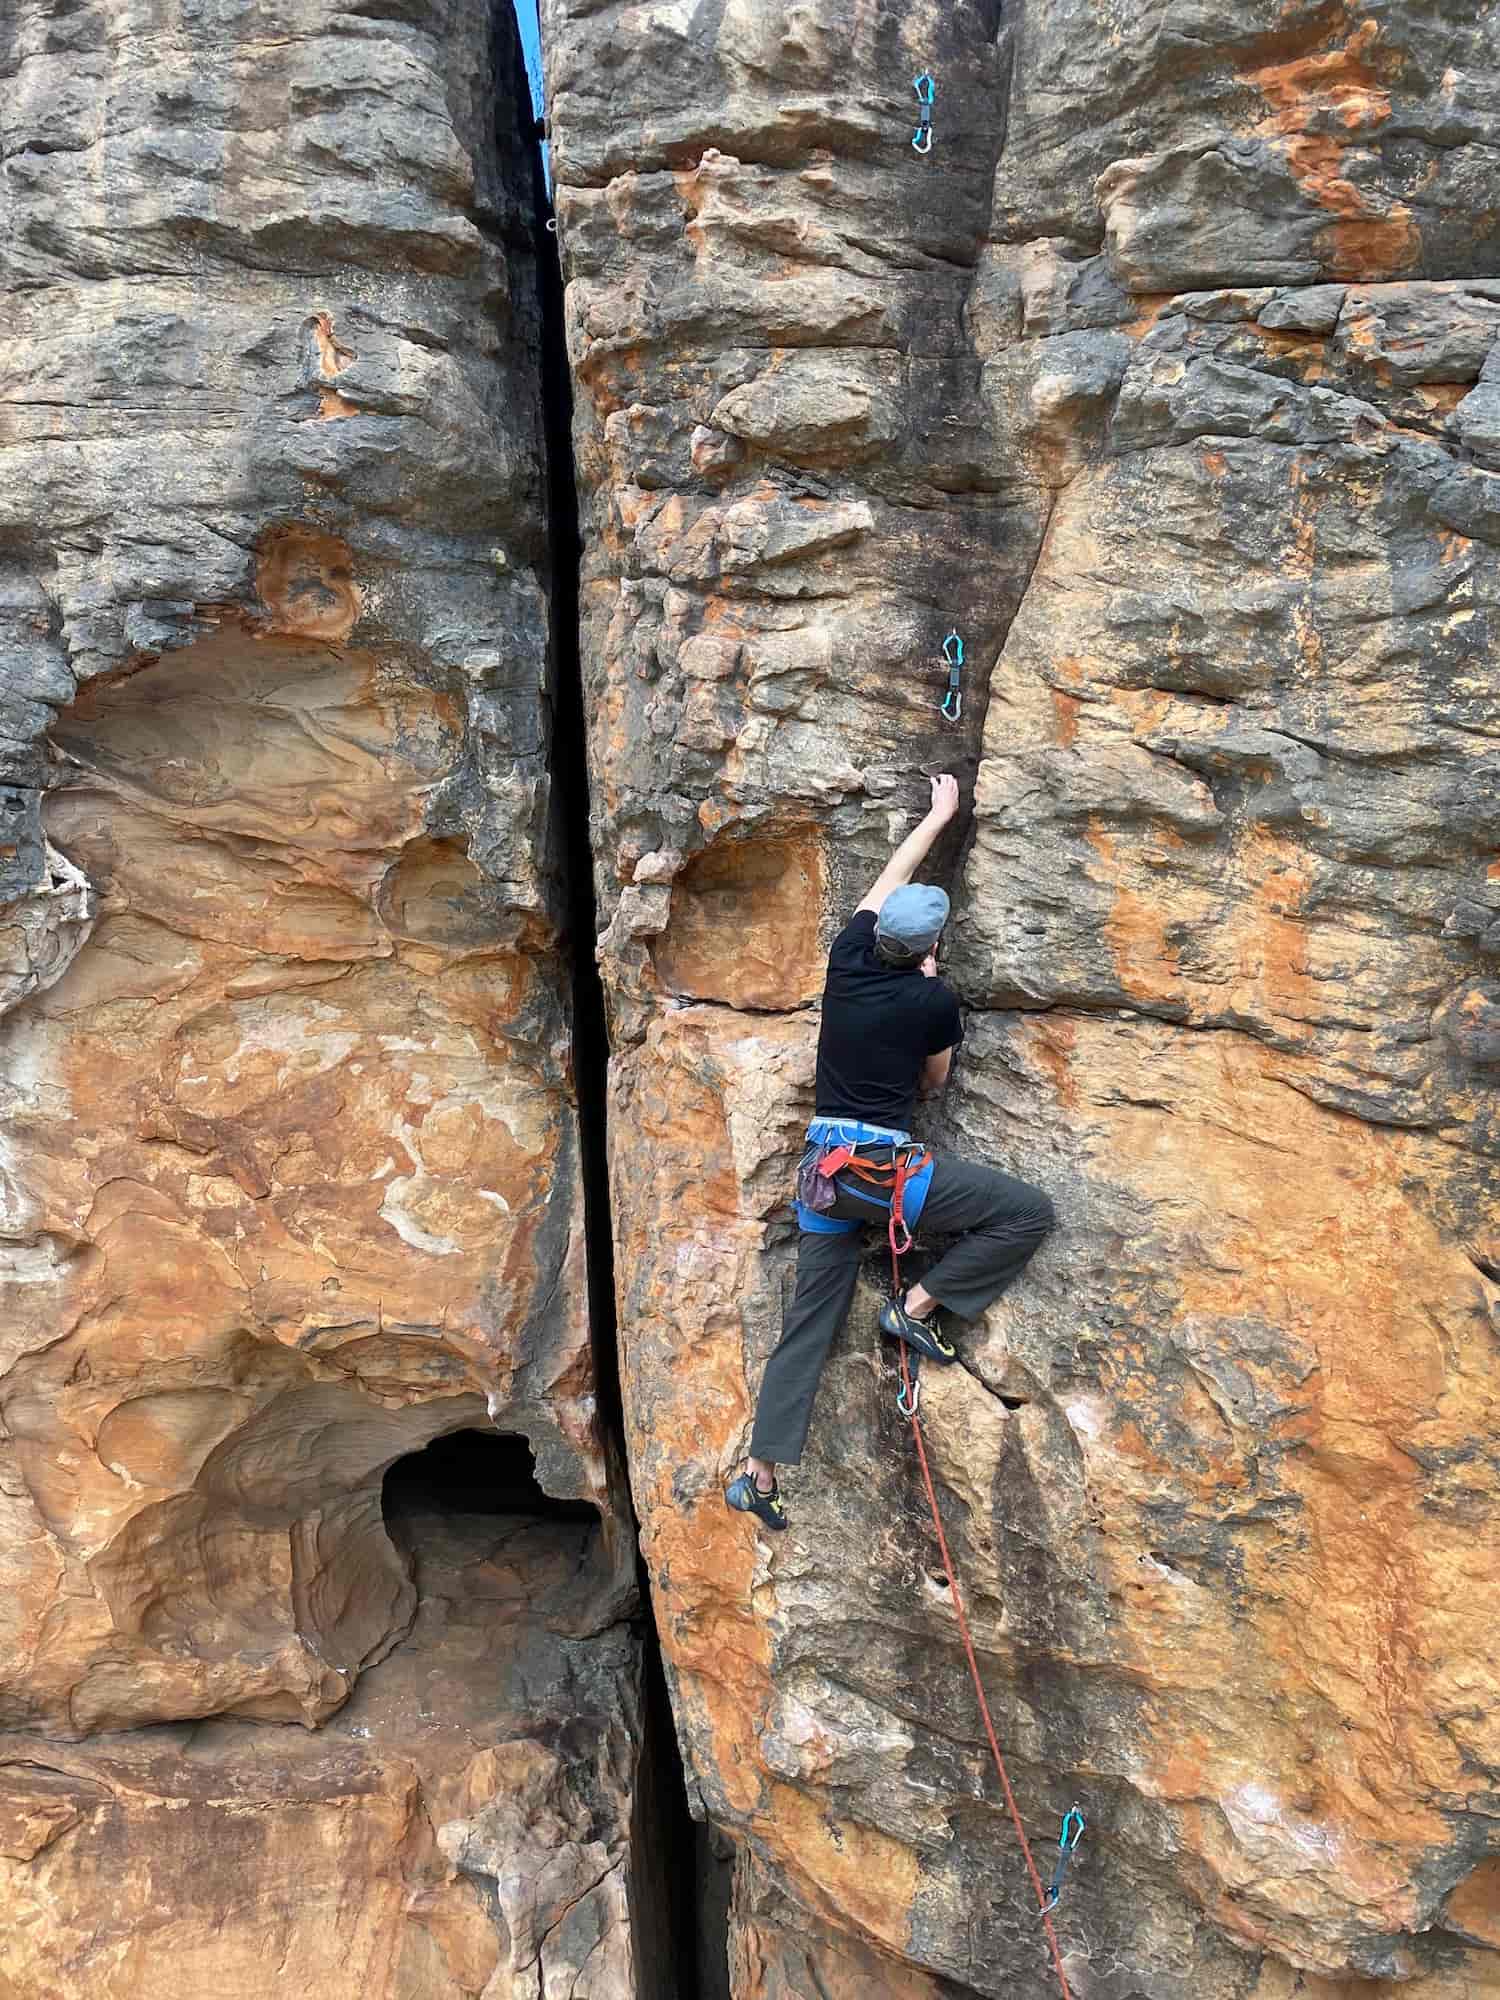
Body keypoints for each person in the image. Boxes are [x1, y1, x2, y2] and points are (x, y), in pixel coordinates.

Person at [725, 773, 1055, 1531]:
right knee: (1025, 1215)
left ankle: (760, 1473)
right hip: (882, 1175)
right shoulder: (930, 1000)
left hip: (821, 1177)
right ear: (930, 949)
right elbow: (934, 1083)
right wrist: (928, 1000)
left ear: (878, 938)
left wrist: (935, 817)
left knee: (808, 1322)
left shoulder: (846, 957)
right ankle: (916, 1307)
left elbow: (889, 878)